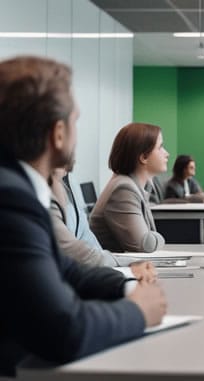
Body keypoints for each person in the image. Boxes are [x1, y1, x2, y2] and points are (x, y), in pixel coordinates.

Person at [0, 56, 166, 377]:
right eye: (76, 120)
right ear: (58, 133)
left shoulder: (17, 187)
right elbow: (63, 331)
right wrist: (138, 312)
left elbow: (67, 271)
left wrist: (126, 287)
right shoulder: (11, 200)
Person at [49, 163, 154, 276]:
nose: (166, 153)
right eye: (159, 148)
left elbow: (87, 240)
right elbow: (145, 242)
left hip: (84, 271)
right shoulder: (124, 186)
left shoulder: (70, 182)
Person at [90, 123, 168, 253]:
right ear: (143, 157)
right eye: (160, 147)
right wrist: (162, 238)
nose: (166, 153)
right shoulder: (124, 189)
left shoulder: (132, 185)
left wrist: (152, 237)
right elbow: (144, 245)